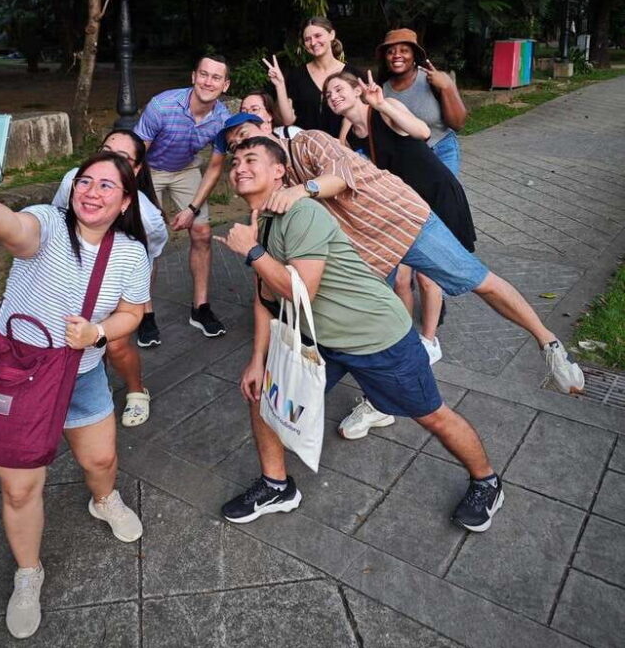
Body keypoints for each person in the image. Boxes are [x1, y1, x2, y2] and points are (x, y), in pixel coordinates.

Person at [217, 114, 584, 437]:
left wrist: (303, 189)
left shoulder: (307, 142)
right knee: (374, 318)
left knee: (476, 279)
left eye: (247, 139)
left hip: (400, 221)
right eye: (236, 148)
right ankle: (379, 403)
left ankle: (548, 343)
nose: (242, 149)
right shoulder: (268, 181)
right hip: (362, 247)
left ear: (266, 127)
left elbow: (341, 175)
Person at [215, 136, 504, 533]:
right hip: (322, 341)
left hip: (377, 337)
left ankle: (486, 481)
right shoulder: (261, 222)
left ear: (279, 171)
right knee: (265, 398)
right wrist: (257, 360)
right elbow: (265, 299)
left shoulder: (302, 214)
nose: (239, 167)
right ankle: (276, 485)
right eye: (234, 163)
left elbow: (300, 291)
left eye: (251, 159)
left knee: (431, 416)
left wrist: (252, 253)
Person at [0, 150, 151, 639]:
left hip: (80, 376)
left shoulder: (130, 252)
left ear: (126, 200)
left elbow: (132, 313)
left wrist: (99, 333)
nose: (93, 192)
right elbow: (11, 228)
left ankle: (103, 500)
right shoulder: (45, 223)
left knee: (101, 462)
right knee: (20, 487)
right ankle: (28, 573)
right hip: (16, 374)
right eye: (86, 181)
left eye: (107, 186)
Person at [324, 69, 478, 365]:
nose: (333, 97)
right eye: (329, 94)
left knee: (428, 275)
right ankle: (405, 337)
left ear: (358, 90)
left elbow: (422, 132)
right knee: (401, 279)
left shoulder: (387, 108)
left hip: (435, 194)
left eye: (339, 89)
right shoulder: (351, 134)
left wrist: (381, 104)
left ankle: (430, 341)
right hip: (405, 206)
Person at [53, 129, 167, 427]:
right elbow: (56, 219)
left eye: (122, 158)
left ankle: (136, 390)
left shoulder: (149, 218)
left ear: (137, 169)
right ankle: (88, 387)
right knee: (75, 337)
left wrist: (134, 300)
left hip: (120, 276)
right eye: (105, 150)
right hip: (73, 271)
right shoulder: (74, 181)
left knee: (114, 343)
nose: (109, 161)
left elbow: (150, 256)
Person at [134, 54, 231, 337]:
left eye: (216, 77)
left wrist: (192, 208)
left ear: (225, 85)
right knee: (145, 237)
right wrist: (146, 202)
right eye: (203, 74)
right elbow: (138, 156)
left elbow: (214, 168)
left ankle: (200, 307)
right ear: (193, 76)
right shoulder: (162, 105)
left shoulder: (223, 118)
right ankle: (144, 311)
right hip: (149, 168)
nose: (208, 81)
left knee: (202, 233)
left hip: (186, 168)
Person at [376, 28, 467, 176]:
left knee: (447, 197)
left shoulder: (432, 79)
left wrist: (447, 87)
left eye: (404, 50)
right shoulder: (381, 90)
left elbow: (458, 124)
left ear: (414, 55)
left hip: (442, 149)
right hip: (409, 156)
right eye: (390, 52)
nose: (396, 55)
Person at [264, 17, 364, 138]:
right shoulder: (296, 76)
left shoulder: (354, 74)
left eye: (318, 36)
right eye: (307, 39)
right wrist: (280, 84)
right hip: (306, 148)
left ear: (331, 34)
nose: (313, 42)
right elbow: (287, 121)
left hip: (346, 148)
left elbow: (365, 113)